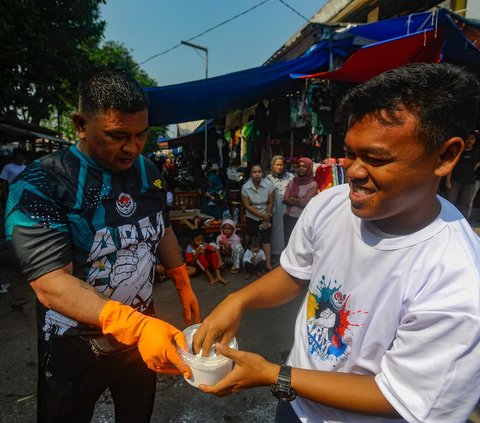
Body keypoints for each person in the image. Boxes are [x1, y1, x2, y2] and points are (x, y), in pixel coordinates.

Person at [191, 63, 480, 423]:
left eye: (376, 159)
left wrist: (274, 375)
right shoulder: (330, 204)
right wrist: (238, 300)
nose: (354, 172)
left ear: (445, 156)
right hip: (294, 404)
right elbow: (295, 274)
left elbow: (402, 398)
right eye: (350, 153)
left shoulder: (459, 281)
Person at [4, 69, 201, 422]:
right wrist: (137, 325)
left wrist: (183, 282)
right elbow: (51, 284)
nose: (132, 147)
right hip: (72, 343)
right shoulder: (41, 183)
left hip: (139, 335)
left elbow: (162, 227)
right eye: (117, 135)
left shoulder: (148, 170)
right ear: (81, 124)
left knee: (136, 413)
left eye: (141, 134)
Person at [241, 164, 275, 271]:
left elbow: (271, 202)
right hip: (252, 216)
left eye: (259, 172)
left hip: (267, 213)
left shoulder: (269, 184)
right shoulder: (245, 187)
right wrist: (262, 215)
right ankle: (251, 265)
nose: (257, 174)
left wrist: (267, 218)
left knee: (266, 239)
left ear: (262, 173)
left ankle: (268, 263)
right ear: (251, 174)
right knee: (253, 239)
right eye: (254, 172)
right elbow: (247, 205)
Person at [282, 157, 318, 244]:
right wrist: (298, 201)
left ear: (309, 168)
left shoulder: (312, 185)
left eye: (304, 166)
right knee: (289, 243)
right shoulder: (292, 182)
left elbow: (305, 203)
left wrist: (292, 199)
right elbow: (284, 199)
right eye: (299, 166)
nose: (301, 168)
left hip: (303, 219)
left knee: (301, 243)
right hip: (289, 217)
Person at [445, 132, 480, 219]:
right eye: (468, 138)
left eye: (472, 139)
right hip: (455, 181)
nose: (469, 141)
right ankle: (448, 221)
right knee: (450, 203)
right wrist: (448, 181)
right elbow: (451, 165)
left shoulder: (476, 152)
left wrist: (478, 164)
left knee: (466, 205)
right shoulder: (459, 151)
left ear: (475, 141)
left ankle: (463, 224)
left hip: (469, 182)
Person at [265, 155, 294, 261]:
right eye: (277, 165)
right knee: (275, 229)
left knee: (287, 229)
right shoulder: (268, 178)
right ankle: (275, 253)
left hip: (288, 207)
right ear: (273, 166)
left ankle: (287, 253)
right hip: (274, 207)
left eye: (281, 165)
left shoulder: (290, 177)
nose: (279, 167)